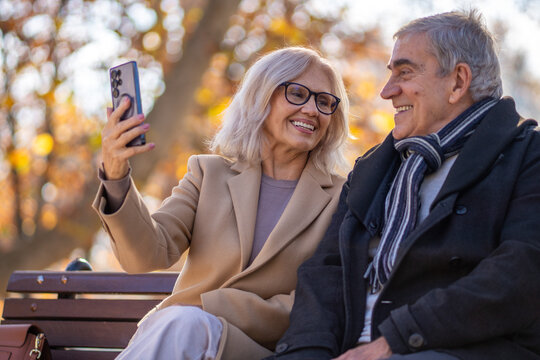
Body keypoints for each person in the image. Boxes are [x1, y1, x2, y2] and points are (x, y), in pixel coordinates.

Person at [268, 10, 540, 360]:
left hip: (449, 350)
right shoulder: (374, 168)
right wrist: (307, 353)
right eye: (390, 74)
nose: (386, 91)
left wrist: (394, 341)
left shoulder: (528, 156)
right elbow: (325, 273)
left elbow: (519, 274)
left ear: (458, 81)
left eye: (405, 72)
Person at [92, 46, 350, 359]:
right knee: (181, 326)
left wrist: (206, 307)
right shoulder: (207, 173)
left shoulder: (342, 198)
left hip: (267, 351)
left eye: (324, 102)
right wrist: (116, 177)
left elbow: (319, 302)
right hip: (182, 341)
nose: (312, 110)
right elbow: (146, 256)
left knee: (183, 324)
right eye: (297, 93)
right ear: (261, 97)